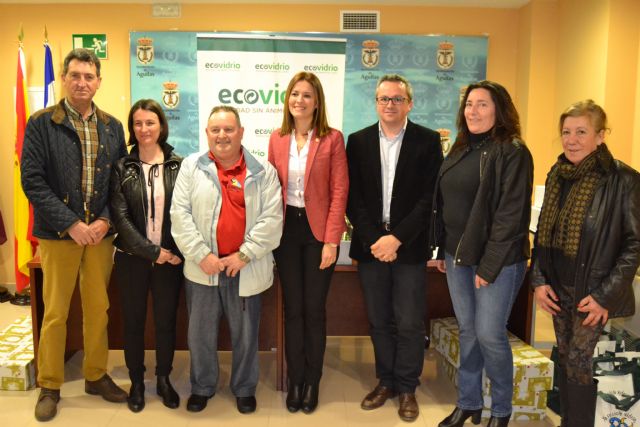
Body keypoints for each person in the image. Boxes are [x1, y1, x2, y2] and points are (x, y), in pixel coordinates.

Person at [21, 48, 128, 422]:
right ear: (64, 79)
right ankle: (49, 385)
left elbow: (120, 181)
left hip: (100, 236)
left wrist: (104, 221)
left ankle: (96, 376)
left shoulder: (113, 126)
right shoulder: (41, 123)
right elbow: (32, 180)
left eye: (89, 76)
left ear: (98, 82)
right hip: (58, 234)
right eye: (76, 75)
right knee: (55, 312)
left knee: (98, 308)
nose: (82, 82)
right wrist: (71, 223)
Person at [431, 80, 533, 427]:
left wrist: (488, 267)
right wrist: (441, 248)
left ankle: (501, 411)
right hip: (457, 256)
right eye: (469, 104)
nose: (472, 111)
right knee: (469, 331)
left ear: (499, 110)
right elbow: (444, 204)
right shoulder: (460, 148)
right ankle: (469, 403)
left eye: (482, 104)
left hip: (497, 261)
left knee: (489, 333)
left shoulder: (513, 152)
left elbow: (510, 216)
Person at [532, 100, 640, 427]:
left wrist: (605, 296)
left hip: (593, 292)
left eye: (581, 132)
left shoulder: (623, 179)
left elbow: (634, 245)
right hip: (558, 288)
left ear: (600, 135)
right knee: (567, 359)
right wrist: (539, 281)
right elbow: (543, 235)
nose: (571, 140)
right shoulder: (558, 174)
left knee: (579, 362)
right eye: (566, 132)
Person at [170, 105, 283, 415]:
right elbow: (180, 215)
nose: (222, 135)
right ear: (207, 133)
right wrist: (201, 255)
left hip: (245, 267)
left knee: (246, 334)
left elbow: (272, 220)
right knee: (200, 334)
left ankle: (244, 388)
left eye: (229, 129)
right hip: (203, 267)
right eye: (216, 130)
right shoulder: (191, 167)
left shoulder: (263, 171)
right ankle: (202, 386)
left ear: (241, 132)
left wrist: (244, 254)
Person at [346, 74, 443, 422]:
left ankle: (407, 388)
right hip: (371, 246)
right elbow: (352, 197)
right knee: (379, 320)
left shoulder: (427, 141)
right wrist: (376, 239)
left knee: (409, 322)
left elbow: (429, 197)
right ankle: (385, 381)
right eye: (384, 99)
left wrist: (397, 238)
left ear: (409, 104)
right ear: (375, 103)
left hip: (410, 246)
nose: (390, 104)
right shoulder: (357, 141)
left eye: (397, 99)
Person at [268, 72, 348, 414]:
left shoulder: (332, 139)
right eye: (294, 94)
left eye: (306, 95)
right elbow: (270, 188)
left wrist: (332, 241)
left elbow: (339, 191)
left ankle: (313, 380)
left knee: (314, 310)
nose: (299, 100)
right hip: (286, 231)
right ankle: (296, 379)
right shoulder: (277, 138)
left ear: (317, 102)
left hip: (318, 234)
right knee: (293, 309)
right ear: (287, 99)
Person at [109, 99, 183, 412]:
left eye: (150, 122)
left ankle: (164, 379)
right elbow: (120, 218)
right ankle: (137, 382)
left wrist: (171, 252)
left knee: (166, 321)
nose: (144, 129)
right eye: (137, 123)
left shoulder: (179, 165)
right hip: (132, 259)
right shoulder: (121, 167)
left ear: (161, 125)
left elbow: (185, 213)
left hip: (171, 259)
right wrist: (154, 252)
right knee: (134, 322)